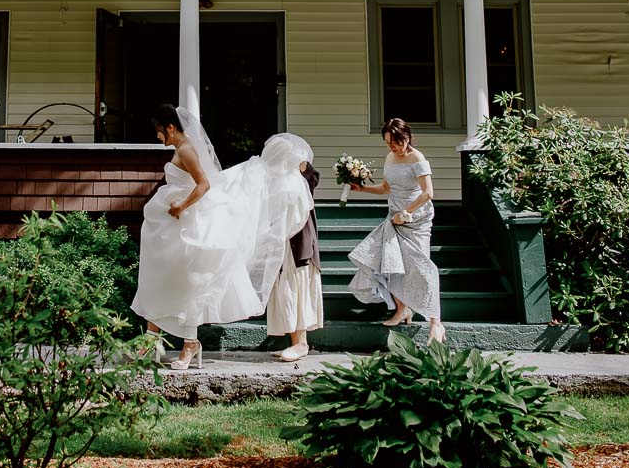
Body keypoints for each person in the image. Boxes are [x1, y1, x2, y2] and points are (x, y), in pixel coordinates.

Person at [131, 107, 314, 370]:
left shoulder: (186, 150)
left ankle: (190, 344)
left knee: (186, 284)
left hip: (186, 226)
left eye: (159, 131)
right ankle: (151, 341)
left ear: (170, 127)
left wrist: (180, 207)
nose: (158, 137)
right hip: (169, 227)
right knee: (158, 279)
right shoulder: (181, 148)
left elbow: (203, 184)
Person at [347, 117, 445, 344]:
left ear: (407, 137)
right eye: (388, 142)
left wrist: (407, 212)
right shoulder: (390, 157)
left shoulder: (418, 158)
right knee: (391, 264)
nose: (392, 147)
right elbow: (386, 188)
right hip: (394, 218)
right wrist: (361, 189)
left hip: (416, 220)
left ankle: (435, 322)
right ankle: (402, 310)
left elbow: (428, 192)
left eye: (396, 142)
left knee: (422, 267)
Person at [265, 139, 323, 362]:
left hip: (299, 243)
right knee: (284, 289)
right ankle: (293, 341)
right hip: (282, 243)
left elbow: (312, 177)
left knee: (296, 286)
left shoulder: (302, 179)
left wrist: (302, 165)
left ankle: (301, 343)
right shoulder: (277, 181)